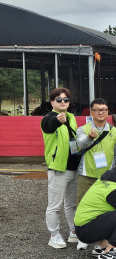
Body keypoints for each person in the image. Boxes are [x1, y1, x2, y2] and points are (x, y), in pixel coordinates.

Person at [41, 88, 81, 249]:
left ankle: (73, 232)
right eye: (59, 99)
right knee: (54, 205)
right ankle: (54, 235)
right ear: (52, 102)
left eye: (66, 100)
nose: (63, 102)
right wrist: (58, 119)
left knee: (71, 204)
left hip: (74, 168)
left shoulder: (72, 118)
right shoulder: (48, 118)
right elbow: (48, 127)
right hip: (58, 168)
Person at [76, 98, 116, 206]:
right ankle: (82, 223)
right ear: (91, 112)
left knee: (105, 204)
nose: (101, 112)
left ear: (108, 112)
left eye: (104, 110)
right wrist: (89, 137)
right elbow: (81, 144)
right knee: (84, 203)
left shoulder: (114, 131)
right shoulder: (83, 129)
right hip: (86, 175)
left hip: (107, 175)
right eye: (97, 110)